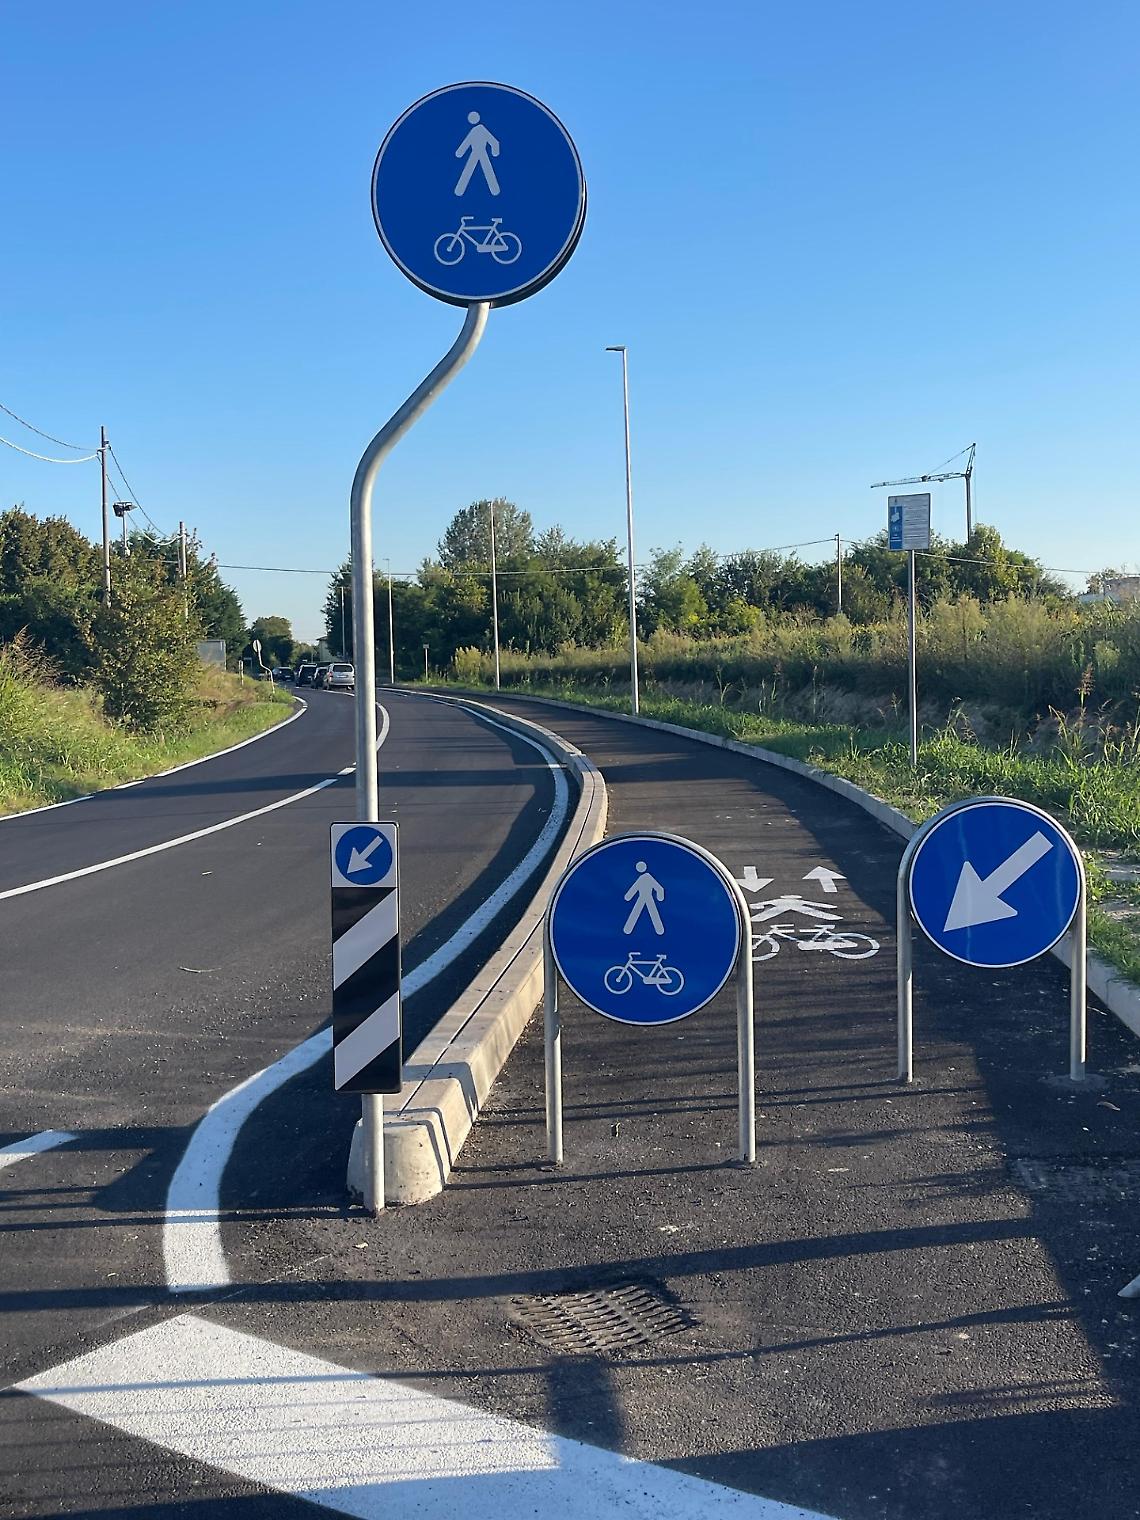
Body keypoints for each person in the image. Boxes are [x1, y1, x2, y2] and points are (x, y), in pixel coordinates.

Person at [454, 111, 500, 196]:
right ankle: (459, 191)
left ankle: (495, 191)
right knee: (473, 170)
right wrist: (460, 152)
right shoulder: (475, 130)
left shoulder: (481, 129)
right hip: (475, 153)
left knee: (483, 170)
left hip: (481, 152)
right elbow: (467, 142)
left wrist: (495, 151)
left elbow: (494, 142)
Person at [623, 861, 665, 936]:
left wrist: (660, 897)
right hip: (643, 898)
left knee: (640, 912)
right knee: (646, 912)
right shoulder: (644, 878)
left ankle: (628, 930)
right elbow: (635, 888)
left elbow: (659, 888)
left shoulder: (647, 877)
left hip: (647, 897)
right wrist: (628, 896)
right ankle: (628, 930)